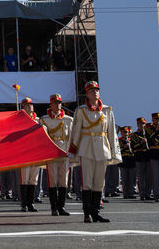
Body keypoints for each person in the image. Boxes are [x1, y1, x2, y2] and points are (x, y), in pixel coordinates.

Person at [67, 81, 120, 223]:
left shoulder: (107, 110)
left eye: (97, 90)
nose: (95, 92)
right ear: (87, 94)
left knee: (99, 183)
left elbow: (111, 131)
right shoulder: (81, 110)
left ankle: (96, 212)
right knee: (87, 182)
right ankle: (87, 213)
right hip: (87, 148)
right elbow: (76, 131)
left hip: (102, 148)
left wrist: (113, 151)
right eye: (91, 90)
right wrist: (73, 149)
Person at [39, 94, 72, 216]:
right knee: (52, 180)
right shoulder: (44, 120)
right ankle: (53, 207)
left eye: (59, 103)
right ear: (50, 105)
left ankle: (61, 206)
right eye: (54, 103)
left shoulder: (68, 120)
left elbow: (71, 137)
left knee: (64, 180)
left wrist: (70, 152)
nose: (57, 105)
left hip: (64, 152)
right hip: (52, 153)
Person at [17, 98, 41, 212]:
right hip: (24, 153)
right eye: (27, 105)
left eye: (31, 104)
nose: (30, 106)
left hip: (35, 152)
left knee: (33, 179)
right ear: (23, 108)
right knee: (24, 179)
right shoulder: (19, 121)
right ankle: (24, 203)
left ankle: (31, 203)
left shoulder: (38, 120)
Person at [118, 126, 137, 199]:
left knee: (132, 178)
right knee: (125, 178)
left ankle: (131, 193)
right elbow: (118, 151)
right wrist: (124, 147)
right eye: (124, 132)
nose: (126, 134)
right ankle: (125, 193)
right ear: (121, 133)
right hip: (124, 160)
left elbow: (136, 148)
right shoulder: (119, 141)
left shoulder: (131, 140)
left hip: (131, 160)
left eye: (127, 132)